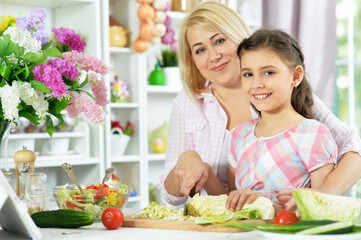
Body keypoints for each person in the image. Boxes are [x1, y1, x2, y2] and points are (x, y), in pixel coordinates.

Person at [159, 1, 361, 208]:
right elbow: (173, 197)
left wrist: (321, 197)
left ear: (240, 38)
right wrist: (188, 162)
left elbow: (353, 147)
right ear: (192, 59)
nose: (214, 55)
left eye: (219, 41)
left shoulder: (290, 95)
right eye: (200, 50)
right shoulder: (189, 103)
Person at [226, 29, 337, 212]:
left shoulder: (312, 134)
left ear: (296, 76)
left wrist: (273, 207)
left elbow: (324, 210)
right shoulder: (239, 135)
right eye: (248, 74)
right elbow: (233, 202)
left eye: (268, 72)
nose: (256, 84)